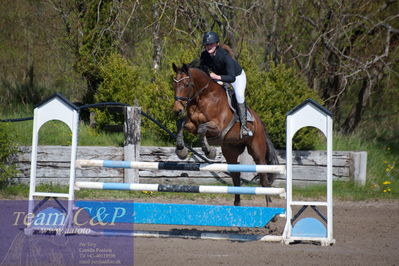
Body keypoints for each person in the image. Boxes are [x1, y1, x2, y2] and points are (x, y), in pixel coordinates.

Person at [199, 31, 253, 137]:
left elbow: (232, 78)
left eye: (211, 44)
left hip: (236, 77)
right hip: (220, 76)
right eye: (206, 45)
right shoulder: (204, 55)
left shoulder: (224, 56)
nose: (208, 46)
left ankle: (244, 127)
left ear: (217, 44)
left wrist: (217, 77)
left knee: (239, 96)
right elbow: (202, 67)